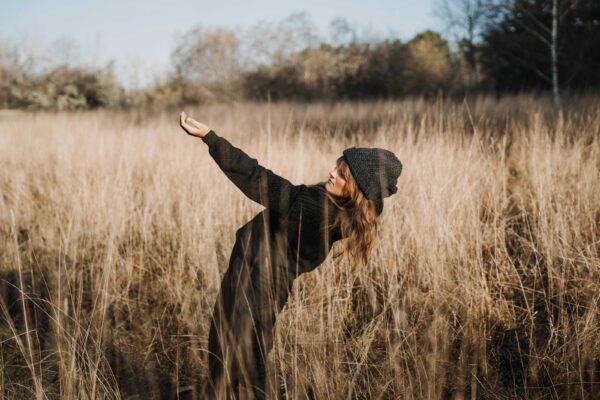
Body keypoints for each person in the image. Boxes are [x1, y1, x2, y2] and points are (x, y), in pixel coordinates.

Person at [178, 111, 402, 400]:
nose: (332, 172)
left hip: (256, 278)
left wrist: (210, 138)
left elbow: (258, 179)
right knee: (241, 350)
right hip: (264, 277)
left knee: (242, 354)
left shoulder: (315, 209)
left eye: (343, 174)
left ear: (357, 189)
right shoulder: (349, 211)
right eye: (338, 165)